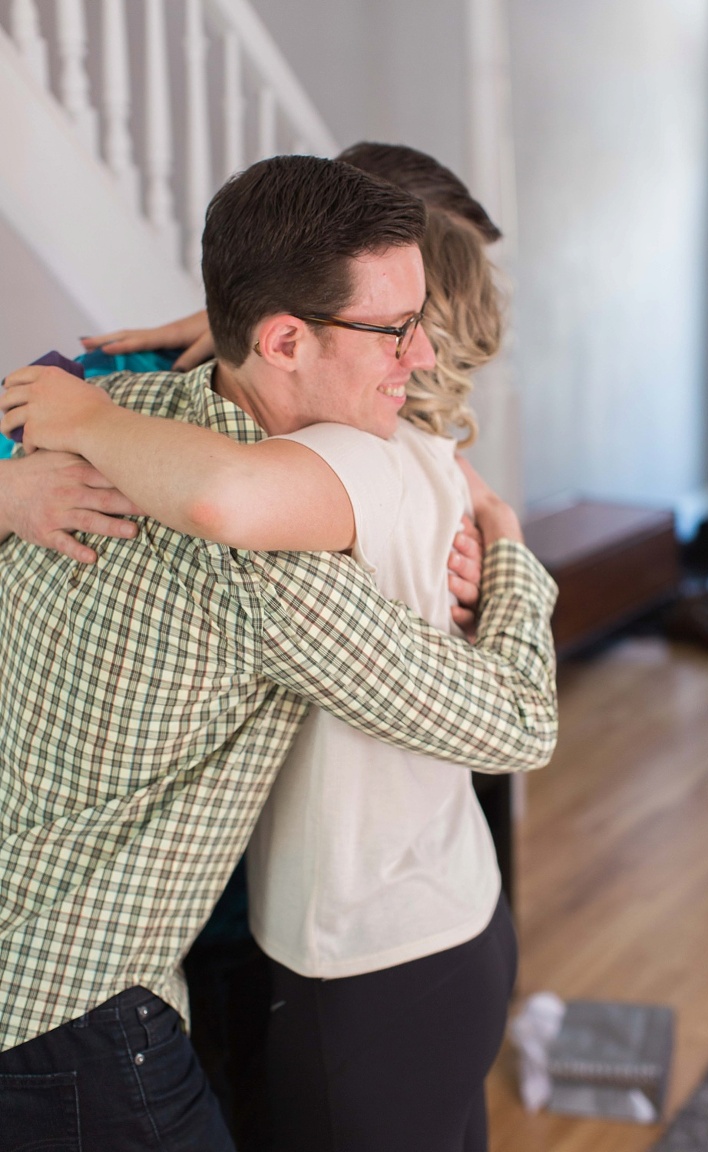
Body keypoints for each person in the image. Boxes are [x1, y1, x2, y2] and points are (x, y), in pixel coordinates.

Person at [0, 154, 557, 1152]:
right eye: (395, 331)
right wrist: (510, 549)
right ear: (287, 337)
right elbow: (517, 720)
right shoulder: (267, 565)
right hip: (74, 1009)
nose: (421, 357)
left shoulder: (98, 414)